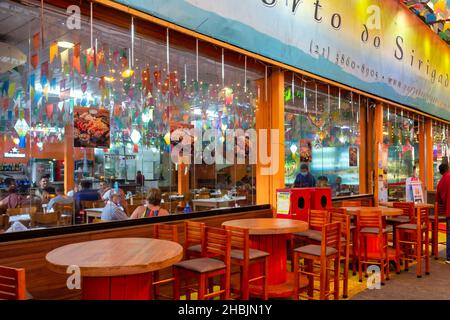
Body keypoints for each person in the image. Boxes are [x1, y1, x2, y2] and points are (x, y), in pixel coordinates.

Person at [436, 163, 450, 264]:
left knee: (449, 233)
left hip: (448, 211)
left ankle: (449, 257)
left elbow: (438, 200)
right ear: (448, 168)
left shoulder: (440, 183)